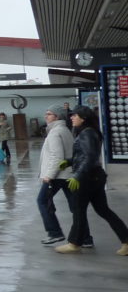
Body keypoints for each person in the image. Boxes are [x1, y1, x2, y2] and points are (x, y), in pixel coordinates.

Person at [56, 106, 128, 255]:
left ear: (83, 118)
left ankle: (75, 243)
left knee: (78, 210)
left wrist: (77, 175)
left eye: (74, 115)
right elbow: (86, 156)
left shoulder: (86, 134)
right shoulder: (90, 132)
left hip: (86, 178)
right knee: (103, 210)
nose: (71, 118)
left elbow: (90, 157)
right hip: (95, 176)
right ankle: (126, 241)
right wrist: (70, 161)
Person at [38, 105, 85, 245]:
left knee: (42, 201)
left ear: (57, 117)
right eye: (46, 113)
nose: (46, 116)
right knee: (75, 208)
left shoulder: (55, 132)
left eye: (49, 114)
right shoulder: (65, 130)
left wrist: (49, 176)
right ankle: (86, 238)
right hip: (68, 174)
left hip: (57, 176)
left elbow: (57, 157)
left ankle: (54, 232)